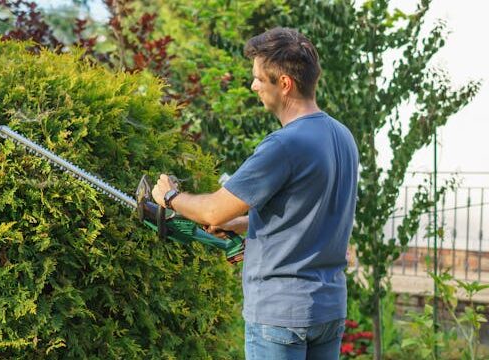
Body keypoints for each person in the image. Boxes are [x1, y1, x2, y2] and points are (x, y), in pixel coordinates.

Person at [151, 27, 359, 360]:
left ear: (285, 85)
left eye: (260, 79)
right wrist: (240, 226)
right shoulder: (342, 137)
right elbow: (309, 216)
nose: (254, 86)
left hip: (281, 315)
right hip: (328, 309)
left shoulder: (285, 144)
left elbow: (215, 210)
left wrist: (171, 197)